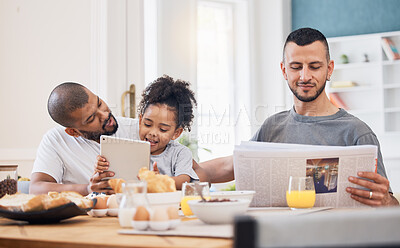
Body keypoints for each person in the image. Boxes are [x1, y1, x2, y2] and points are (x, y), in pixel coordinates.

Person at [200, 27, 399, 207]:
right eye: (296, 67)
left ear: (329, 69)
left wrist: (386, 200)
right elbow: (233, 165)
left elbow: (391, 210)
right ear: (284, 70)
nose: (304, 76)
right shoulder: (272, 126)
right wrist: (182, 171)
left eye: (314, 66)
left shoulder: (357, 133)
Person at [30, 81, 208, 195]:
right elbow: (36, 188)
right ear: (73, 131)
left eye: (100, 103)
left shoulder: (140, 129)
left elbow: (190, 171)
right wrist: (86, 188)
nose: (105, 114)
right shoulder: (56, 140)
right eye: (92, 118)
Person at [96, 75, 199, 190]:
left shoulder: (180, 153)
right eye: (148, 124)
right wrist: (101, 167)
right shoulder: (129, 148)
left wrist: (158, 180)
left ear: (176, 133)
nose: (153, 133)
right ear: (140, 121)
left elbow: (183, 181)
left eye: (163, 129)